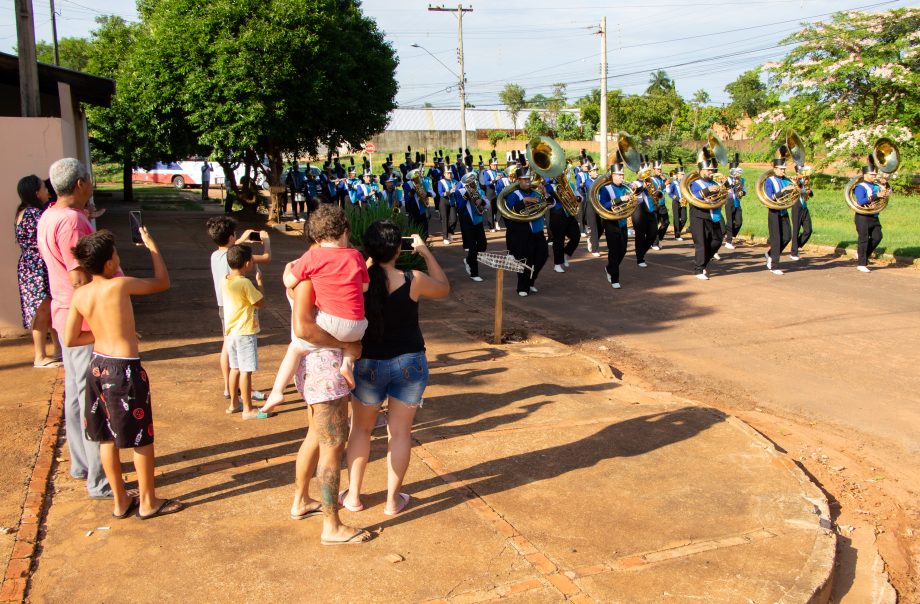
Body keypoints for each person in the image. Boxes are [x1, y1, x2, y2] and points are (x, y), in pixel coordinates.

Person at [65, 229, 183, 519]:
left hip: (97, 365)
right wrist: (153, 247)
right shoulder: (119, 285)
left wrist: (107, 335)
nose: (118, 258)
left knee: (107, 438)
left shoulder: (81, 294)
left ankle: (120, 501)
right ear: (108, 264)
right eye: (115, 254)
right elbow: (161, 282)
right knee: (141, 438)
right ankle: (147, 501)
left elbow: (70, 338)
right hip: (124, 371)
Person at [341, 221, 449, 516]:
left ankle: (353, 497)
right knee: (400, 432)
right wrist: (425, 252)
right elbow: (443, 288)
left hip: (367, 362)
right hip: (409, 361)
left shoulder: (359, 281)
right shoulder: (413, 278)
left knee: (360, 431)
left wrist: (369, 258)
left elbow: (359, 275)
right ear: (399, 249)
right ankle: (391, 501)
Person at [37, 158, 111, 498]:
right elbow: (79, 275)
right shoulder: (71, 221)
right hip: (81, 317)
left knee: (77, 393)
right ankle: (99, 477)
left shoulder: (51, 215)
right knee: (92, 397)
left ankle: (82, 463)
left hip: (64, 312)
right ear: (80, 183)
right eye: (89, 180)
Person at [288, 275, 372, 545]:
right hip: (325, 370)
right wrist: (348, 345)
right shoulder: (312, 279)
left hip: (314, 369)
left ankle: (301, 500)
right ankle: (332, 525)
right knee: (333, 446)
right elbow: (304, 328)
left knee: (314, 436)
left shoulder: (303, 273)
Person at [260, 206, 369, 414]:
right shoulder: (355, 256)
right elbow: (364, 287)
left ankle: (277, 391)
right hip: (359, 326)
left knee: (296, 348)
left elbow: (289, 282)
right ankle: (347, 363)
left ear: (317, 238)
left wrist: (287, 270)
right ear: (345, 232)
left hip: (331, 322)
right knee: (350, 341)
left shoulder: (312, 258)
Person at [206, 216, 270, 404]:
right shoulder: (237, 265)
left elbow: (229, 250)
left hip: (223, 305)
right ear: (232, 236)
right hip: (238, 308)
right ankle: (240, 391)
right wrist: (266, 241)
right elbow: (266, 257)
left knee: (227, 346)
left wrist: (241, 240)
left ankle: (230, 388)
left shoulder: (215, 255)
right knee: (235, 354)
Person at [15, 175, 62, 368]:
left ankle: (57, 350)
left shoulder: (26, 211)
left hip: (32, 265)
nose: (47, 191)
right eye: (43, 187)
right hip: (36, 267)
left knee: (48, 310)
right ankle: (40, 356)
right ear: (36, 192)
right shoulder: (34, 213)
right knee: (42, 311)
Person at [221, 244, 269, 420]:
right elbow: (260, 302)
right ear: (247, 263)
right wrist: (260, 283)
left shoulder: (225, 279)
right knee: (246, 371)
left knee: (235, 368)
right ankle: (248, 409)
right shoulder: (245, 283)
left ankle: (234, 403)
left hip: (232, 332)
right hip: (245, 332)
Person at [502, 167, 548, 297]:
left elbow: (550, 204)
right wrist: (523, 202)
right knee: (525, 260)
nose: (528, 182)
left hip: (538, 231)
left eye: (528, 179)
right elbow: (509, 212)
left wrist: (546, 194)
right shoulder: (513, 195)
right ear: (518, 181)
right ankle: (522, 287)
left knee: (542, 257)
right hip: (523, 233)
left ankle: (531, 281)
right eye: (524, 180)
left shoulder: (536, 193)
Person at [688, 150, 725, 281]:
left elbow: (724, 196)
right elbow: (694, 196)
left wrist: (724, 186)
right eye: (708, 170)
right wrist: (707, 191)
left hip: (713, 215)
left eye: (712, 170)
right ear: (701, 170)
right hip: (698, 216)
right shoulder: (695, 183)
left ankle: (703, 261)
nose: (711, 172)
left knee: (717, 240)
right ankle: (699, 269)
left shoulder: (714, 183)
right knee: (701, 243)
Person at [596, 156, 631, 289]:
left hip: (622, 221)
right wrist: (619, 199)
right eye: (619, 175)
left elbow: (634, 202)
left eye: (622, 174)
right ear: (612, 175)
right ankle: (615, 278)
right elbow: (603, 205)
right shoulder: (605, 188)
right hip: (611, 222)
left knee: (623, 250)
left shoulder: (625, 187)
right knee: (614, 251)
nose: (622, 177)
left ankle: (610, 268)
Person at [853, 155, 888, 273]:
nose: (874, 176)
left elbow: (887, 194)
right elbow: (861, 201)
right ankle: (861, 264)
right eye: (872, 175)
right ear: (865, 175)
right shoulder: (860, 187)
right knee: (863, 239)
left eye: (875, 175)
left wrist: (886, 185)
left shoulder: (876, 186)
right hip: (862, 216)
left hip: (874, 215)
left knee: (878, 237)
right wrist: (875, 196)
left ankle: (862, 254)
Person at [454, 172, 488, 282]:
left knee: (483, 246)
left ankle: (468, 260)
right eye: (470, 182)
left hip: (478, 221)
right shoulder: (460, 192)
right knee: (473, 248)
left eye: (473, 181)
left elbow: (487, 204)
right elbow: (459, 207)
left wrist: (481, 201)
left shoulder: (479, 191)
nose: (472, 183)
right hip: (467, 223)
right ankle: (474, 273)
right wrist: (466, 196)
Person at [763, 155, 794, 275]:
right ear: (775, 169)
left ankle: (770, 254)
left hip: (784, 211)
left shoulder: (786, 180)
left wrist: (796, 186)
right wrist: (784, 191)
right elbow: (770, 197)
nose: (783, 171)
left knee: (787, 236)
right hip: (774, 212)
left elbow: (796, 192)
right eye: (781, 169)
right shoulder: (769, 181)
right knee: (776, 239)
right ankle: (774, 265)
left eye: (784, 169)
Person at [546, 175, 581, 274]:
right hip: (557, 215)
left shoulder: (571, 185)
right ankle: (557, 264)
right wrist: (547, 193)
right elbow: (548, 202)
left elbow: (580, 197)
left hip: (569, 214)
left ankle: (567, 253)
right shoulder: (549, 186)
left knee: (576, 236)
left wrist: (576, 198)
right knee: (558, 240)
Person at [631, 159, 658, 268]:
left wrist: (657, 193)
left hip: (650, 210)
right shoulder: (634, 183)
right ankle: (640, 258)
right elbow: (634, 191)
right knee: (640, 236)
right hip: (639, 211)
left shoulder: (651, 182)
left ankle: (641, 252)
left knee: (653, 234)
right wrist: (643, 187)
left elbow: (657, 193)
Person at [789, 164, 813, 260]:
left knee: (808, 230)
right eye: (802, 172)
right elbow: (797, 189)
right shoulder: (794, 181)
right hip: (796, 206)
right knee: (796, 230)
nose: (804, 174)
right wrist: (799, 182)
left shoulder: (806, 181)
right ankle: (794, 252)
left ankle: (796, 245)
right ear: (798, 172)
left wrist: (809, 191)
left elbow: (810, 194)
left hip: (804, 206)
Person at [723, 156, 746, 250]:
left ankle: (728, 234)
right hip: (728, 201)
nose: (737, 173)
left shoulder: (741, 180)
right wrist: (734, 184)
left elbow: (744, 191)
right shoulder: (726, 179)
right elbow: (725, 188)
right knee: (729, 221)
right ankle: (728, 241)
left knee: (739, 222)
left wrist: (742, 192)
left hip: (737, 201)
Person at [650, 152, 670, 250]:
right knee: (654, 224)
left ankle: (659, 239)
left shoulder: (662, 179)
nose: (659, 171)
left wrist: (666, 182)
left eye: (660, 169)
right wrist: (664, 184)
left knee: (666, 222)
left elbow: (665, 190)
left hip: (662, 204)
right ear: (653, 170)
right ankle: (654, 243)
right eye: (657, 169)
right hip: (655, 204)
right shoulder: (651, 179)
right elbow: (655, 190)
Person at [668, 162, 687, 240]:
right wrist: (678, 199)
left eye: (683, 174)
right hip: (676, 201)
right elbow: (670, 193)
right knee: (676, 218)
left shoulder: (685, 183)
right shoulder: (674, 183)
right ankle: (677, 235)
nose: (683, 175)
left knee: (684, 218)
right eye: (681, 174)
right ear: (678, 175)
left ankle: (678, 230)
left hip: (684, 202)